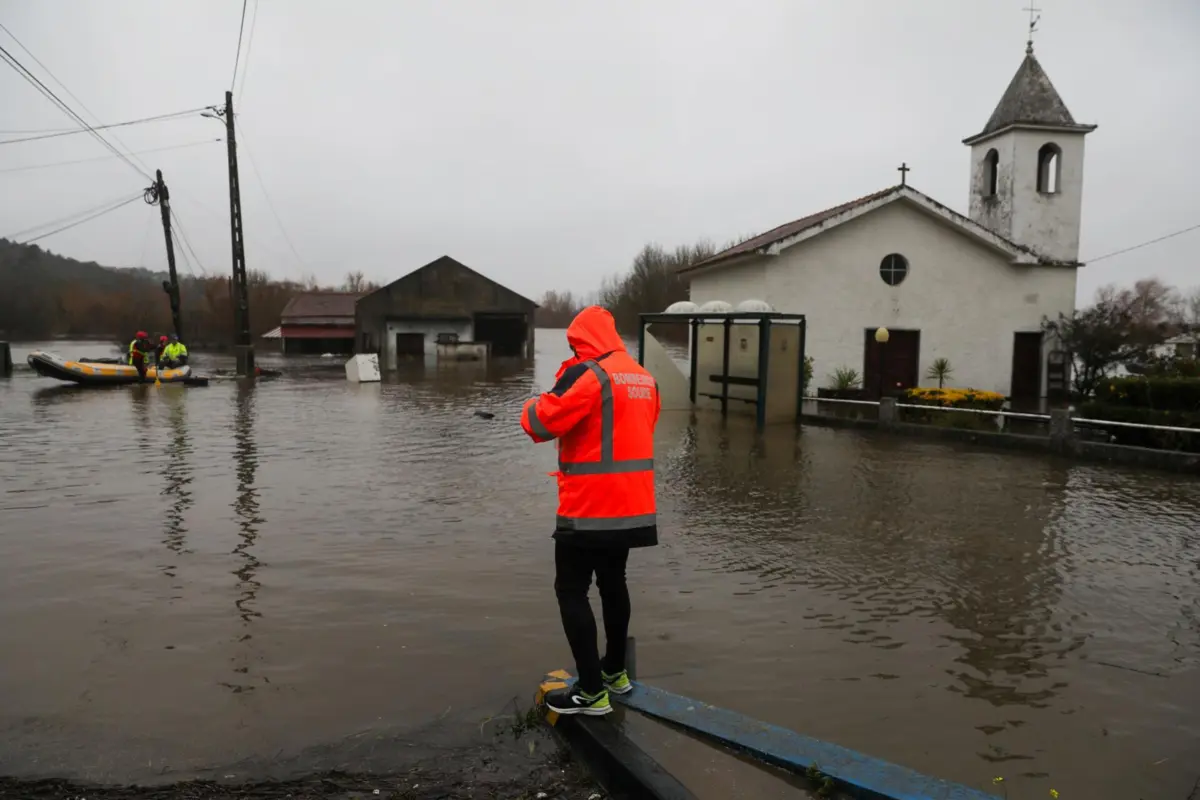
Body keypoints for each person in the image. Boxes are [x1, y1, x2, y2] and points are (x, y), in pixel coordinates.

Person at [520, 306, 660, 716]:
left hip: (590, 507)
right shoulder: (643, 376)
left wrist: (531, 402)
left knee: (571, 590)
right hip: (632, 504)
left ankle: (591, 692)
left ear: (582, 341)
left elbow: (541, 424)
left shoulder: (590, 375)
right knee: (614, 582)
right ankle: (615, 672)